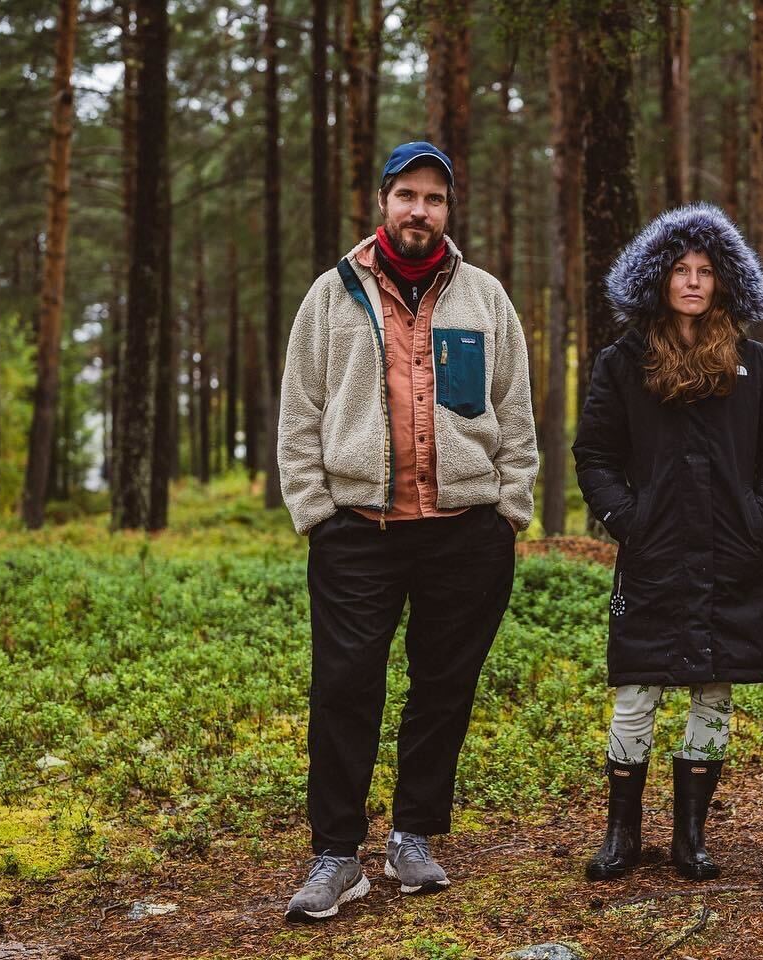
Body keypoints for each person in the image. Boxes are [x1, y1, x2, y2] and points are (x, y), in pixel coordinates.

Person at [277, 141, 538, 920]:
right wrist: (316, 514)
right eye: (408, 195)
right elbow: (300, 413)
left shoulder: (485, 298)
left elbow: (515, 410)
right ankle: (336, 854)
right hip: (359, 529)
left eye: (435, 198)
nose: (420, 210)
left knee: (443, 688)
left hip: (465, 531)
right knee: (344, 687)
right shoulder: (330, 296)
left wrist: (510, 509)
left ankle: (413, 835)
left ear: (448, 210)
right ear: (383, 201)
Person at [574, 203, 763, 882]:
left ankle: (690, 837)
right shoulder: (623, 363)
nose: (694, 281)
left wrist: (761, 517)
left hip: (732, 555)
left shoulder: (755, 366)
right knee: (636, 688)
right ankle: (621, 834)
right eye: (681, 269)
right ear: (659, 278)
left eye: (706, 270)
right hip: (651, 556)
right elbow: (594, 453)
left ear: (726, 280)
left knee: (714, 688)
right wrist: (627, 517)